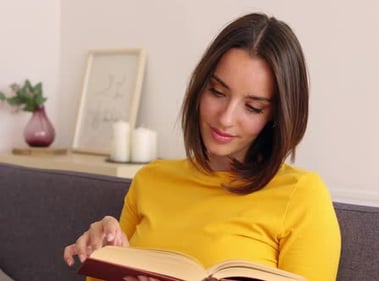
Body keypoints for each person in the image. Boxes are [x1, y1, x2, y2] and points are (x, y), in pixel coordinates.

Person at [64, 12, 341, 281]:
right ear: (200, 87)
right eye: (217, 92)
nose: (226, 118)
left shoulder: (301, 196)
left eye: (253, 107)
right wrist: (103, 250)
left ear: (276, 116)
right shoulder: (151, 180)